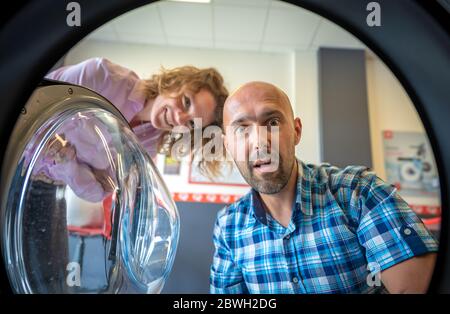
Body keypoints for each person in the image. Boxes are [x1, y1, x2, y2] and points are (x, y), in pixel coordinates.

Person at [210, 81, 438, 294]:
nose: (260, 142)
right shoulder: (228, 227)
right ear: (228, 144)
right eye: (242, 129)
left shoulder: (360, 192)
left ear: (297, 131)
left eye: (273, 123)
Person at [34, 57, 228, 202]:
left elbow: (97, 192)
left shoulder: (149, 147)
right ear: (176, 82)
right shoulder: (103, 75)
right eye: (186, 102)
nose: (179, 118)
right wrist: (90, 167)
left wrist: (69, 163)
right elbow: (36, 103)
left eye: (192, 124)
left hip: (45, 188)